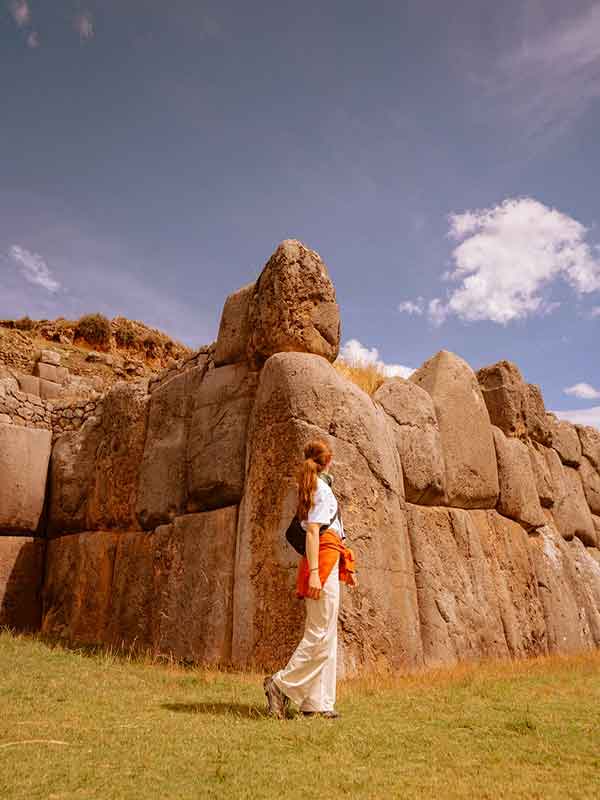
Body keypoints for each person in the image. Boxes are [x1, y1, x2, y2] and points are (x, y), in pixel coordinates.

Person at [263, 439, 358, 720]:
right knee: (319, 633)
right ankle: (279, 685)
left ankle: (317, 702)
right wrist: (316, 573)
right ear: (328, 462)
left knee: (327, 634)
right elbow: (314, 531)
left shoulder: (314, 487)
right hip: (323, 563)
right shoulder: (322, 489)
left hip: (326, 559)